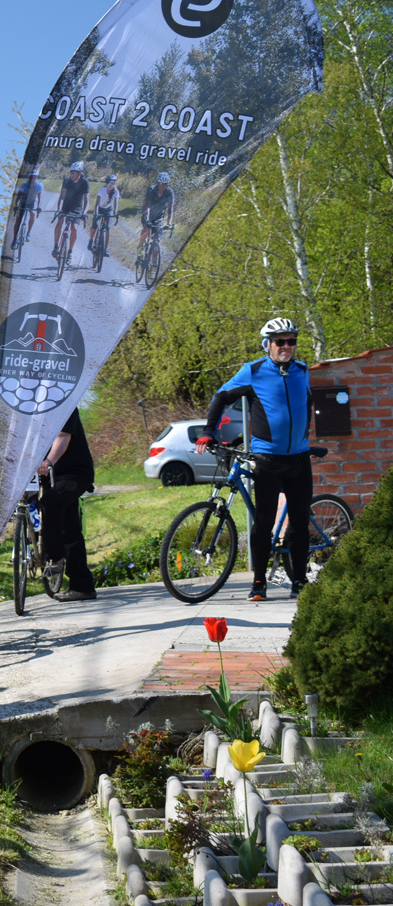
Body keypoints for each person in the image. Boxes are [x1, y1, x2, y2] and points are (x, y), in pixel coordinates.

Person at [196, 317, 314, 600]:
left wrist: (304, 435)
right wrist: (208, 432)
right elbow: (221, 397)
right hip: (268, 459)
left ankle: (299, 581)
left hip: (299, 459)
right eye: (280, 342)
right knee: (263, 521)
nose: (286, 346)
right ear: (267, 344)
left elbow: (307, 402)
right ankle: (259, 583)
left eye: (291, 341)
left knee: (300, 523)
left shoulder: (302, 370)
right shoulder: (253, 371)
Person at [37, 407, 96, 601]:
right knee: (70, 530)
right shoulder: (26, 407)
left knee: (50, 503)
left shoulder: (64, 404)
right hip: (47, 475)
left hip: (74, 473)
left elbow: (63, 437)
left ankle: (54, 558)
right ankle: (82, 587)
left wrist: (48, 461)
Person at [51, 161, 90, 266]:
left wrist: (84, 213)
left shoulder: (84, 182)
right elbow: (62, 196)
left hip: (77, 208)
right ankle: (56, 246)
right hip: (66, 206)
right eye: (71, 172)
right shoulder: (67, 180)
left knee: (74, 229)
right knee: (60, 221)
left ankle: (70, 252)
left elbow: (87, 200)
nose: (71, 174)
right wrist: (59, 209)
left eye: (74, 173)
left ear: (79, 173)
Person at [140, 172, 175, 258]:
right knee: (147, 230)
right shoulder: (151, 189)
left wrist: (169, 223)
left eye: (165, 184)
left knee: (157, 240)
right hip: (148, 214)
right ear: (157, 182)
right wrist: (147, 220)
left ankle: (153, 262)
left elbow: (170, 208)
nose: (163, 186)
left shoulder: (169, 192)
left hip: (159, 217)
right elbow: (147, 206)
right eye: (161, 184)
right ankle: (140, 249)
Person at [90, 173, 120, 262]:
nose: (111, 185)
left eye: (113, 183)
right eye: (109, 183)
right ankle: (91, 241)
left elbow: (116, 203)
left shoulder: (116, 191)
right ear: (106, 183)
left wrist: (115, 212)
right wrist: (96, 212)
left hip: (108, 210)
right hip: (100, 208)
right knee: (95, 224)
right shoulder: (102, 190)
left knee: (107, 228)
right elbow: (97, 203)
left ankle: (105, 249)